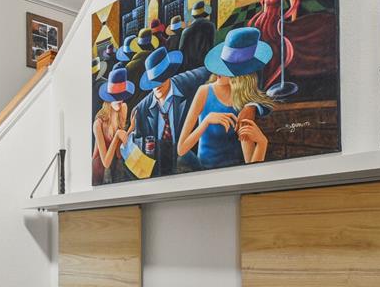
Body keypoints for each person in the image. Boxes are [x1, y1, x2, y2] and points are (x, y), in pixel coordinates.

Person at [177, 27, 274, 169]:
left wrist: (262, 143)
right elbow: (181, 149)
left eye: (225, 68)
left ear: (240, 76)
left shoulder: (244, 105)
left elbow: (252, 166)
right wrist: (206, 121)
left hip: (232, 175)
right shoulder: (204, 92)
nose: (218, 71)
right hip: (203, 173)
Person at [248, 0, 337, 89]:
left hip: (273, 22)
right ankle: (263, 77)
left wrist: (293, 21)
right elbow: (264, 7)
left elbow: (294, 3)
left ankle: (274, 77)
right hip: (263, 21)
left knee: (275, 45)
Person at [127, 46, 210, 177]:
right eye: (154, 81)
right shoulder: (140, 111)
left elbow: (211, 70)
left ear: (169, 74)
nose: (157, 85)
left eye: (162, 78)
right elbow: (135, 153)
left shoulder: (190, 82)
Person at [92, 68, 135, 184]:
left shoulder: (123, 108)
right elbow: (105, 162)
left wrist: (131, 128)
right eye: (115, 96)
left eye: (122, 95)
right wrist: (117, 136)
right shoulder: (98, 123)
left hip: (115, 165)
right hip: (99, 171)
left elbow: (119, 148)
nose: (120, 100)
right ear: (107, 98)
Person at [176, 0, 216, 70]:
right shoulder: (211, 26)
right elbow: (212, 46)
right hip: (206, 66)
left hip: (190, 69)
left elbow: (181, 53)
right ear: (204, 13)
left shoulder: (186, 31)